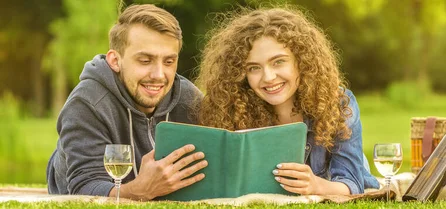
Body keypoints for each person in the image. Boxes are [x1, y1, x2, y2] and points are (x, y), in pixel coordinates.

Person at [196, 7, 380, 195]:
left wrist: (315, 185)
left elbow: (352, 184)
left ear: (302, 61)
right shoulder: (231, 110)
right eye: (253, 68)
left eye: (278, 62)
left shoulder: (338, 103)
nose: (268, 77)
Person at [46, 4, 207, 201]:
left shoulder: (189, 99)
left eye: (168, 62)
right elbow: (83, 187)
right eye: (145, 60)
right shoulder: (87, 103)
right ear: (115, 60)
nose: (159, 75)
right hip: (76, 185)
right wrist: (141, 190)